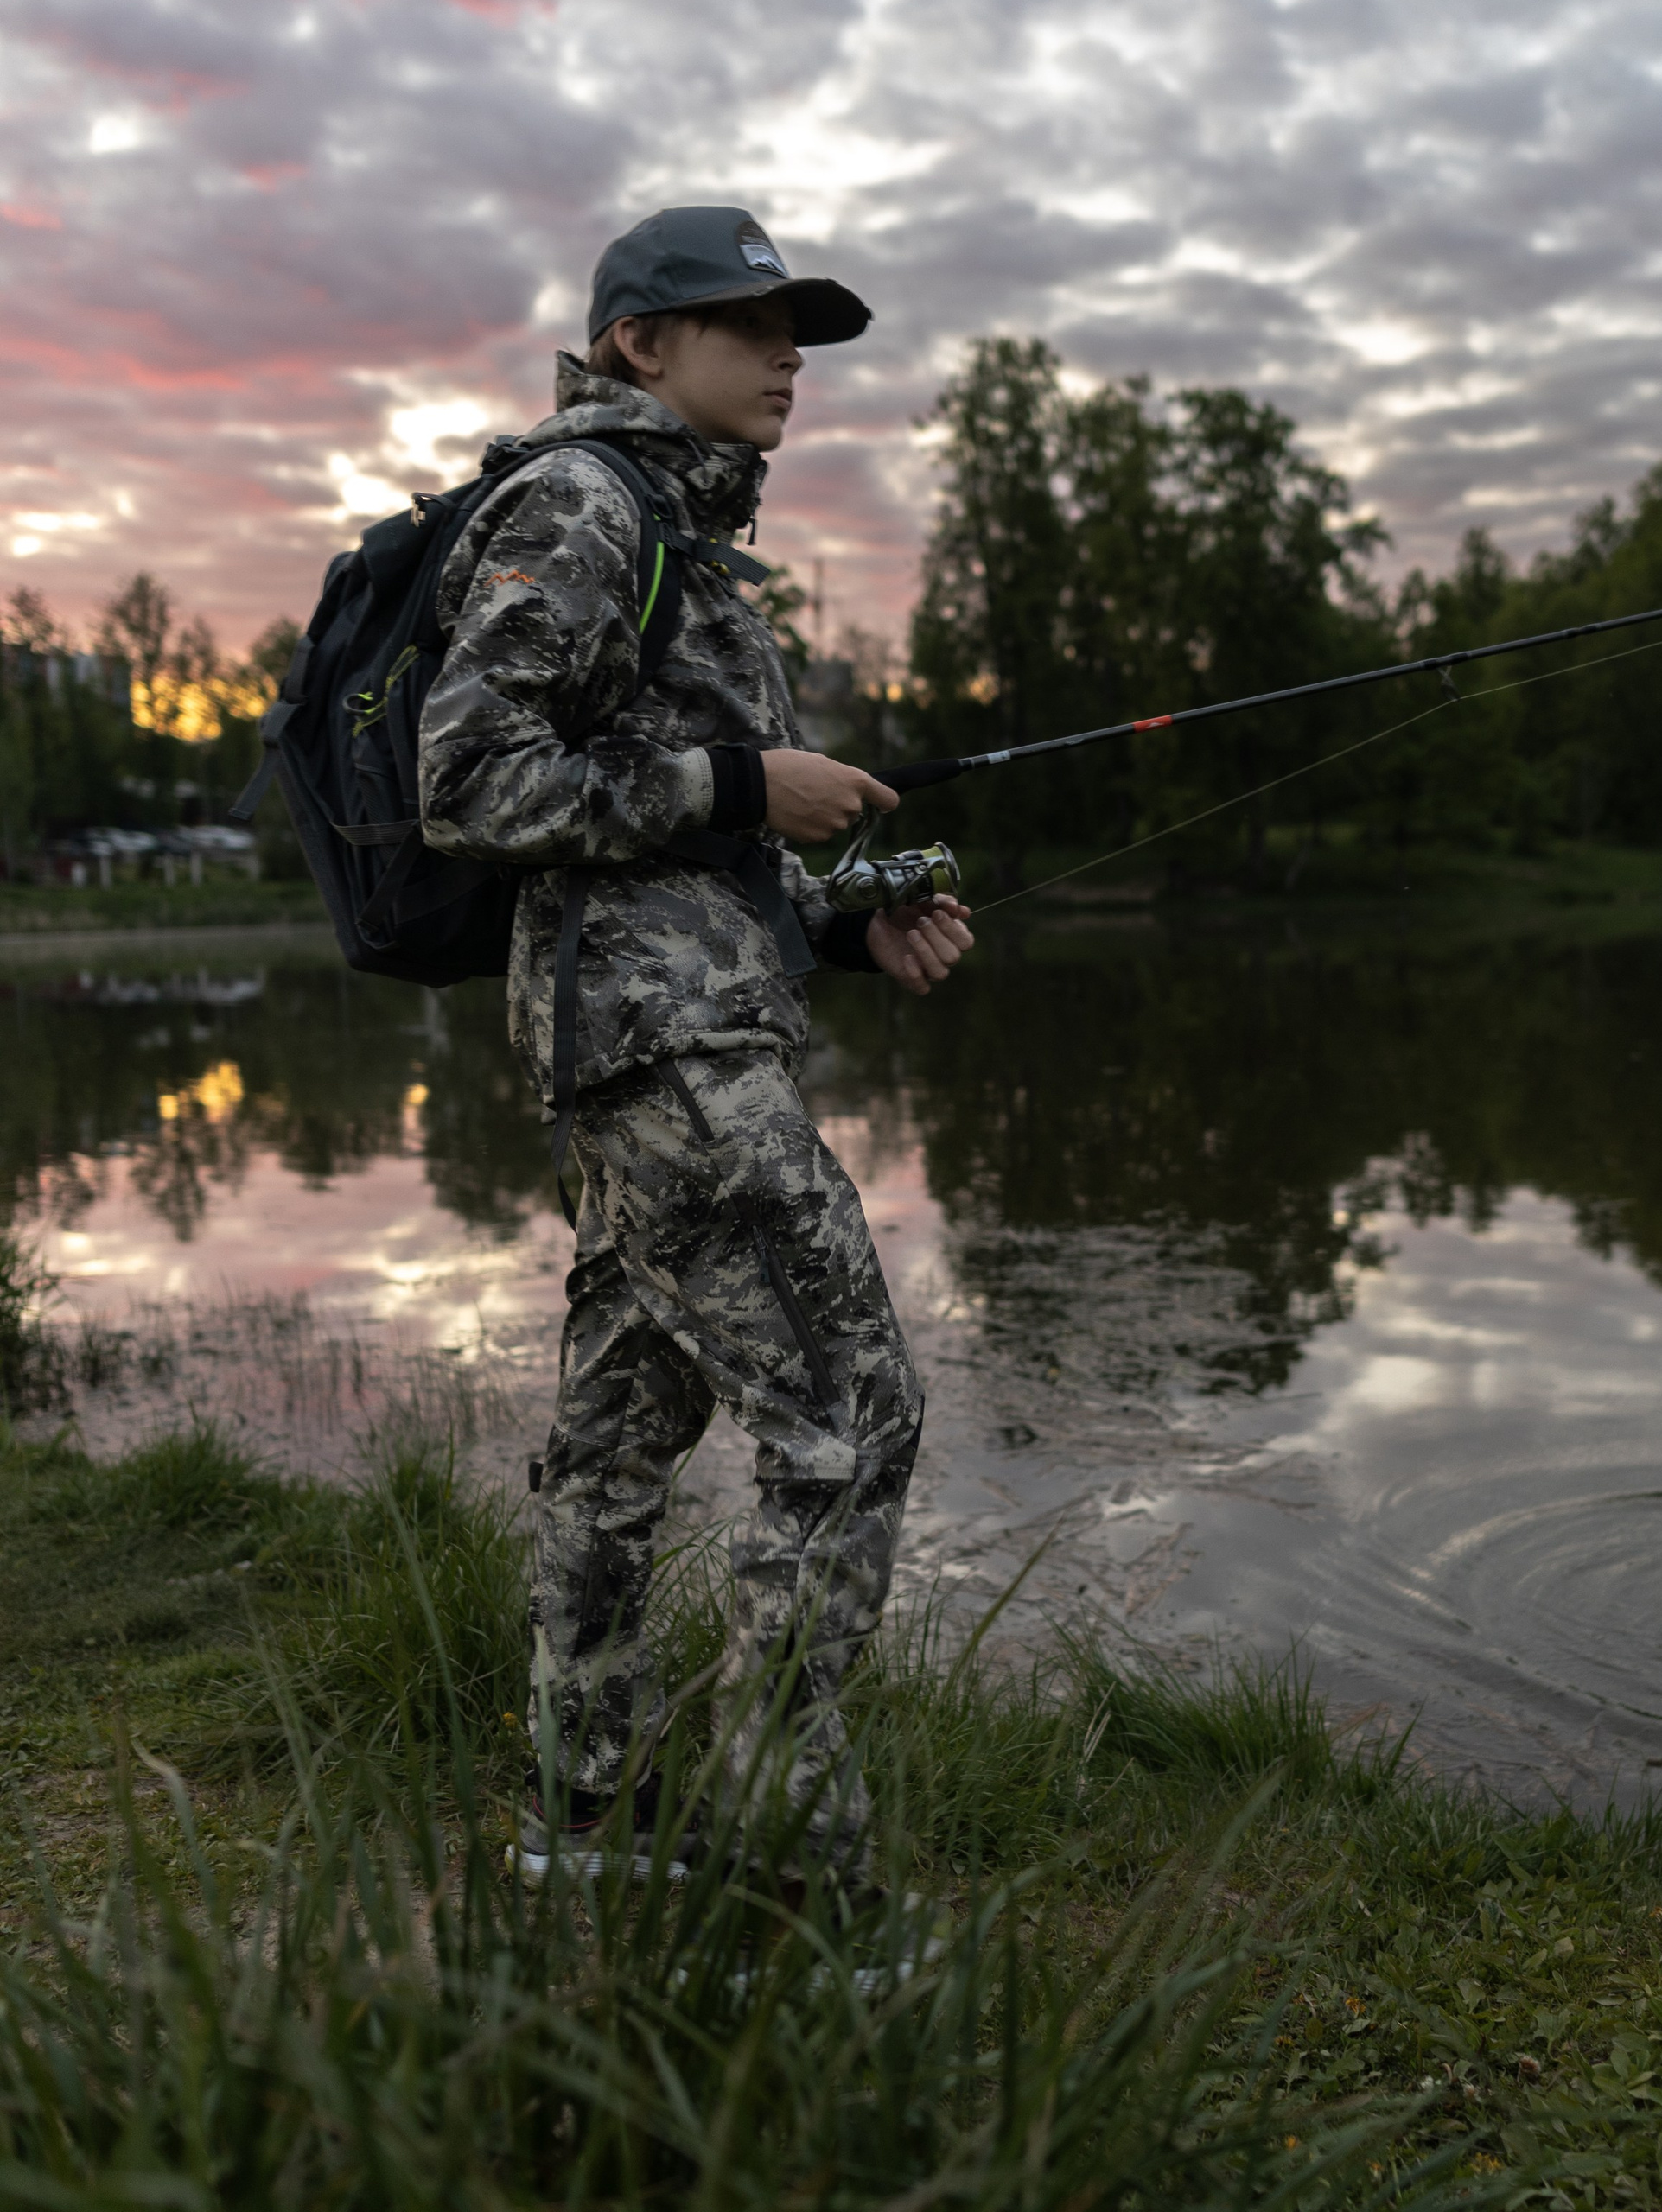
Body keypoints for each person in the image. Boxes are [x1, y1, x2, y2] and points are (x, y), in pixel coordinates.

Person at [415, 206, 973, 1886]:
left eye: (799, 328)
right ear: (639, 344)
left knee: (613, 1444)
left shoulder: (684, 534)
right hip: (668, 1061)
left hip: (663, 1041)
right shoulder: (583, 505)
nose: (790, 353)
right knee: (851, 1416)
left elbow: (686, 861)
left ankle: (581, 1819)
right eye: (751, 323)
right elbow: (469, 782)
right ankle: (791, 1873)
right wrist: (743, 782)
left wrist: (841, 928)